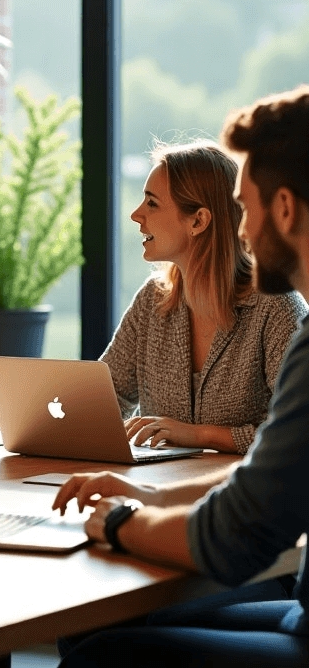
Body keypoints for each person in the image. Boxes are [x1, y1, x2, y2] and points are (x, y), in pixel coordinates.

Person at [52, 85, 309, 668]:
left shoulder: (289, 323)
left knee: (102, 658)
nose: (241, 228)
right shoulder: (157, 301)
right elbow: (264, 486)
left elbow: (236, 534)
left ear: (285, 209)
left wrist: (120, 522)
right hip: (301, 610)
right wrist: (145, 493)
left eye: (247, 207)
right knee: (99, 628)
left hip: (296, 617)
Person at [103, 140, 305, 453]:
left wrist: (199, 435)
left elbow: (297, 434)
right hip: (161, 486)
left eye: (152, 204)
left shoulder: (276, 306)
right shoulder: (151, 301)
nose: (135, 214)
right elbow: (105, 400)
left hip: (246, 497)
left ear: (198, 221)